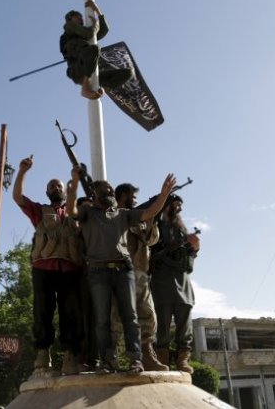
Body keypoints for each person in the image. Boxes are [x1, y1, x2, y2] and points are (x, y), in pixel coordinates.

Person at [66, 169, 176, 373]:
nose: (109, 191)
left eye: (111, 189)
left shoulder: (123, 214)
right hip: (98, 272)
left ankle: (136, 360)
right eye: (105, 189)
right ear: (95, 193)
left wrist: (164, 194)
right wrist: (73, 183)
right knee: (102, 319)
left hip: (123, 270)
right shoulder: (87, 213)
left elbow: (149, 213)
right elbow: (71, 209)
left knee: (131, 316)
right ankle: (108, 361)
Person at [12, 155, 84, 375]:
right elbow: (18, 197)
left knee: (69, 313)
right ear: (47, 192)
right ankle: (43, 353)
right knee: (42, 312)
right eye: (51, 185)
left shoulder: (77, 210)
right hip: (43, 268)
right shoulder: (40, 211)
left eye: (58, 185)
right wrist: (22, 171)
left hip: (70, 269)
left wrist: (75, 179)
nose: (55, 187)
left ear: (64, 189)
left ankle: (70, 355)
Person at [109, 183, 169, 371]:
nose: (135, 201)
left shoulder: (140, 217)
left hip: (139, 271)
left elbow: (152, 240)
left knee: (146, 312)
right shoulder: (111, 216)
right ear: (122, 197)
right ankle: (111, 358)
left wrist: (152, 218)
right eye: (132, 197)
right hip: (117, 271)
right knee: (115, 315)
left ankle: (146, 354)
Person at [150, 194, 200, 374]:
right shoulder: (154, 227)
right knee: (162, 327)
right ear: (165, 206)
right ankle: (162, 358)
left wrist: (194, 249)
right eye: (175, 206)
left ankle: (183, 360)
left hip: (183, 285)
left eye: (180, 207)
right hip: (161, 284)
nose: (178, 210)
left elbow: (189, 262)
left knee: (184, 326)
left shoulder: (182, 231)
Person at [60, 0, 132, 100]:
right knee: (94, 49)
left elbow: (104, 30)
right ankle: (85, 88)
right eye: (77, 16)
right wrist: (95, 25)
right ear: (70, 19)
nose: (81, 18)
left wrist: (97, 10)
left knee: (128, 73)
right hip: (77, 69)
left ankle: (102, 91)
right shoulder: (69, 27)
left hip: (91, 69)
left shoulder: (83, 34)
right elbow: (90, 33)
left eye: (81, 17)